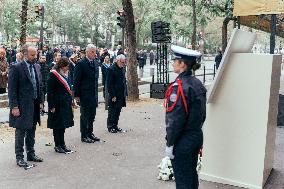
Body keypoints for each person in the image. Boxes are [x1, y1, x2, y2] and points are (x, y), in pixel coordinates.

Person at [164, 45, 206, 189]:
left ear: (182, 64)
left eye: (175, 60)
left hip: (183, 140)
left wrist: (170, 144)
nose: (172, 62)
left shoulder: (179, 87)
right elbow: (203, 115)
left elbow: (175, 121)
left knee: (183, 181)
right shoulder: (197, 83)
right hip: (196, 135)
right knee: (192, 176)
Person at [8, 46, 44, 167]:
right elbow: (12, 90)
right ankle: (19, 157)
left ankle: (31, 153)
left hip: (34, 104)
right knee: (20, 132)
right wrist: (14, 107)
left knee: (32, 130)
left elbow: (40, 86)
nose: (35, 57)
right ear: (25, 55)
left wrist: (41, 102)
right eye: (32, 55)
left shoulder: (37, 67)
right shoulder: (16, 67)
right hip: (21, 106)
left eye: (36, 55)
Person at [73, 44, 100, 143]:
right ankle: (84, 135)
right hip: (84, 94)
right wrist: (76, 95)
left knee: (92, 115)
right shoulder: (81, 63)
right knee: (85, 115)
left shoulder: (96, 62)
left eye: (95, 51)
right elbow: (77, 80)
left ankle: (90, 133)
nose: (94, 53)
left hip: (93, 93)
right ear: (87, 52)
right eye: (92, 52)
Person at [47, 57, 74, 153]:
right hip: (57, 104)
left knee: (63, 125)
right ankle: (57, 145)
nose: (68, 68)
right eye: (67, 66)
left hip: (65, 103)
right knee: (57, 126)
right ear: (62, 66)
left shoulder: (66, 74)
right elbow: (50, 92)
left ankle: (62, 144)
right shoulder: (53, 74)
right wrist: (51, 106)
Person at [106, 54, 127, 133]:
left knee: (118, 110)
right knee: (112, 110)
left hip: (120, 93)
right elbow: (109, 84)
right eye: (122, 62)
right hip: (114, 94)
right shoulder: (111, 69)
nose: (123, 64)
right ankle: (110, 126)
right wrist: (113, 95)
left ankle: (115, 125)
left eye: (124, 63)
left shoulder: (121, 68)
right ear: (117, 61)